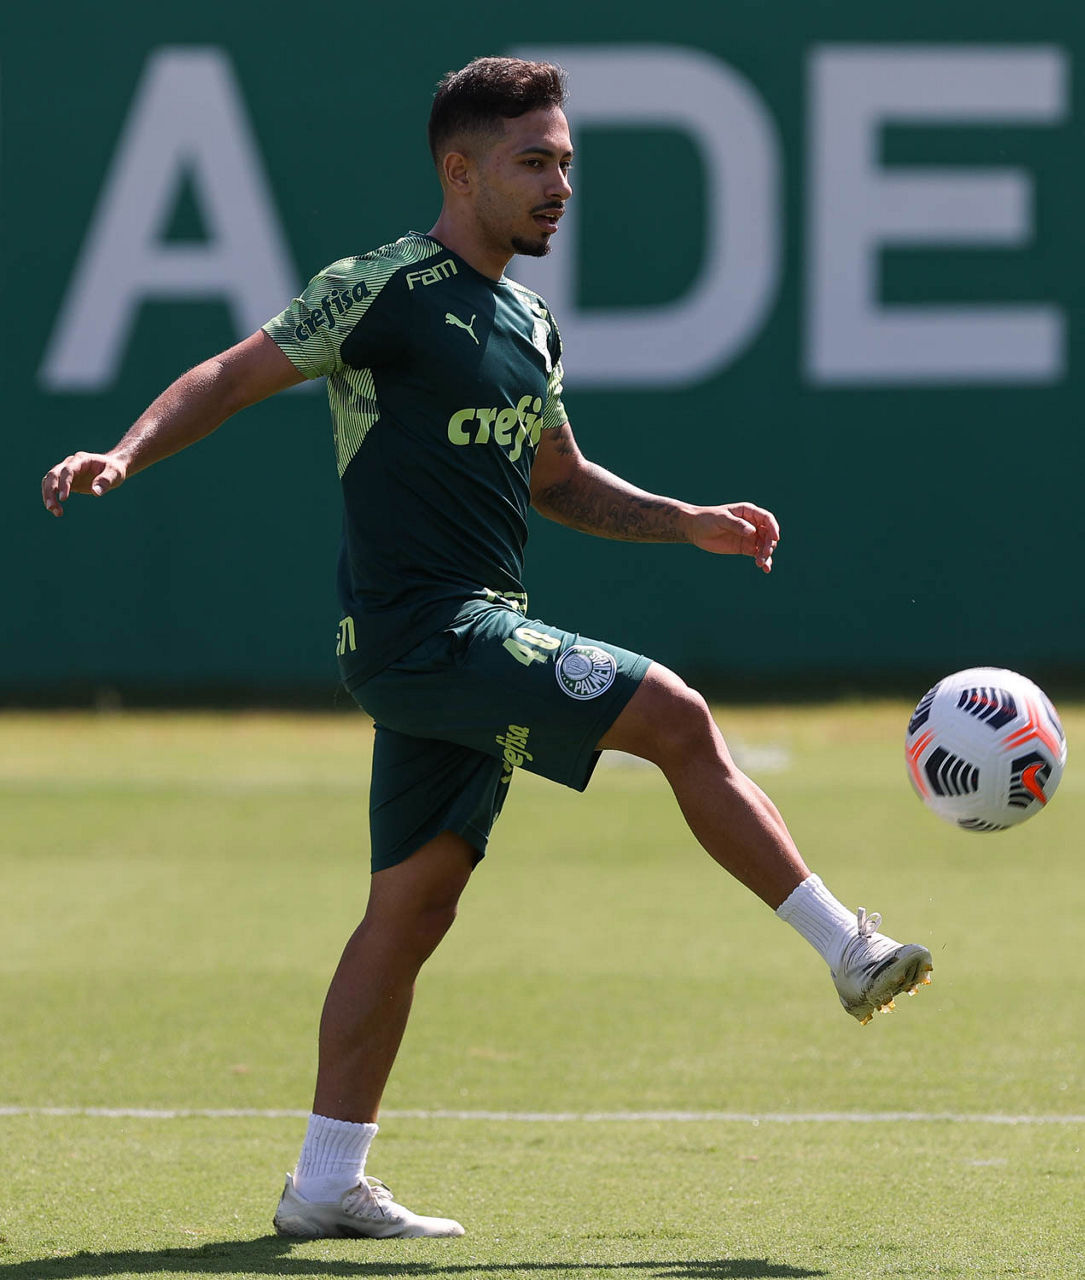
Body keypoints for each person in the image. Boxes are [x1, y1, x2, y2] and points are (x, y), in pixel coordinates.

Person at [41, 56, 933, 1241]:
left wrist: (686, 521)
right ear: (459, 172)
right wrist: (125, 450)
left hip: (460, 637)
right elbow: (229, 373)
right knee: (673, 714)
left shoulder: (528, 320)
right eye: (532, 161)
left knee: (412, 908)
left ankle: (324, 1181)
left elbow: (557, 479)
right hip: (428, 629)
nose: (559, 182)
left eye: (564, 160)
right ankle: (845, 945)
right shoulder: (381, 288)